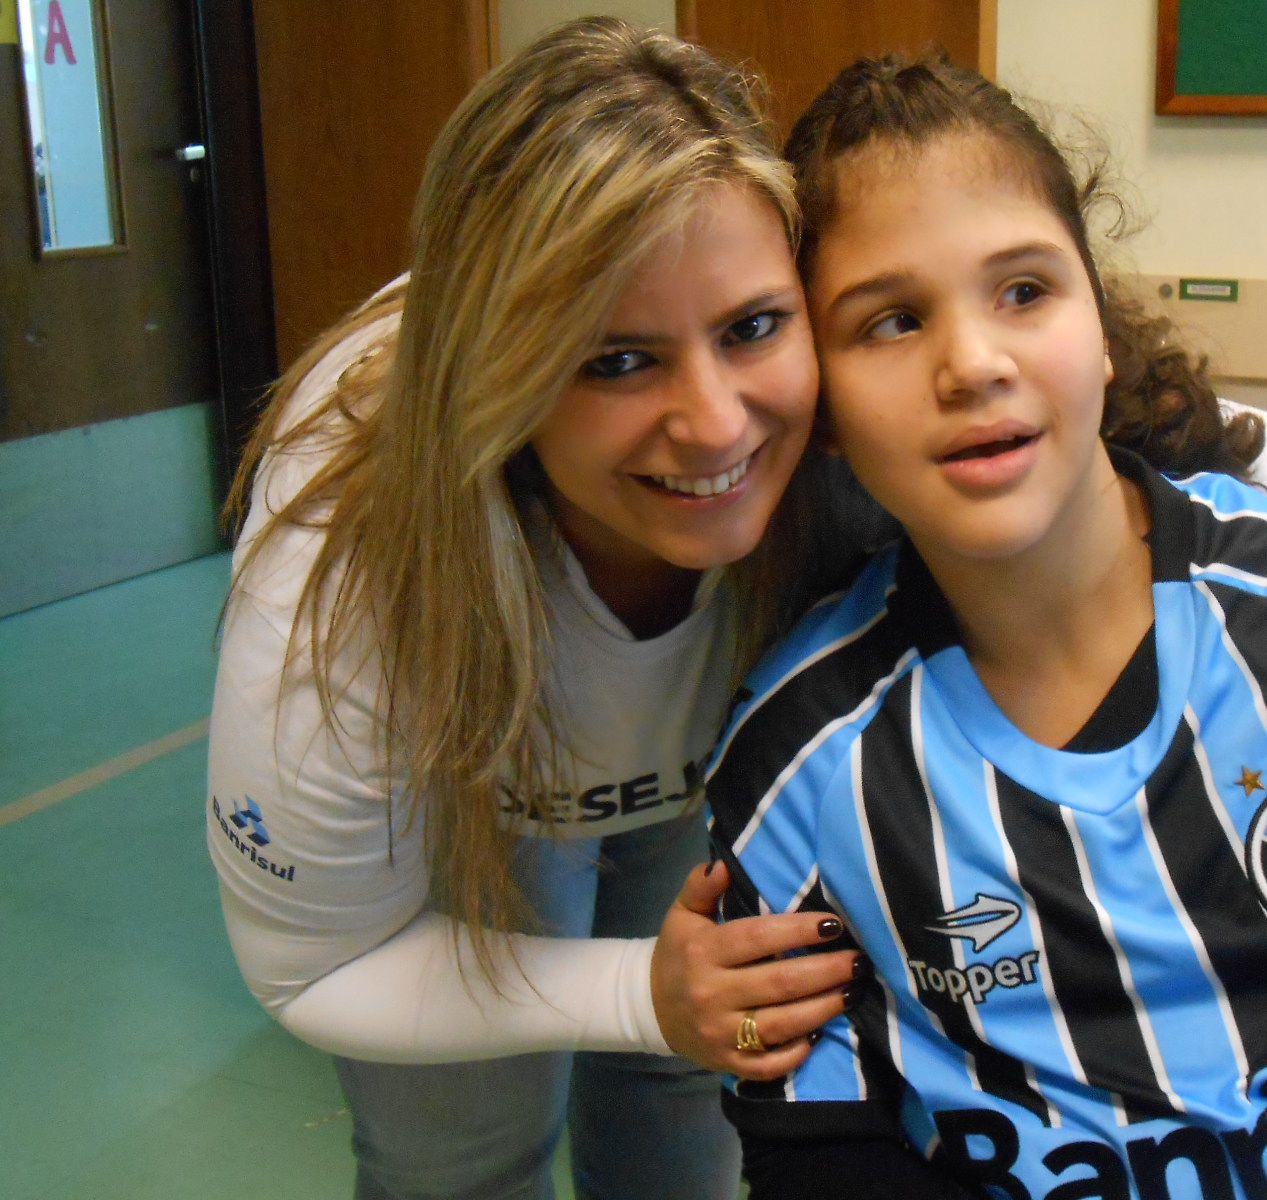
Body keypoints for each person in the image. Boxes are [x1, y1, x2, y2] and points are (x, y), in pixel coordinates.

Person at [707, 54, 1267, 1200]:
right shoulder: (797, 765)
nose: (974, 363)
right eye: (889, 321)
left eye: (1025, 291)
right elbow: (821, 1165)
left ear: (1102, 321)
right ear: (820, 408)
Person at [206, 20, 869, 1200]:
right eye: (614, 360)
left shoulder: (849, 421)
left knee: (688, 1086)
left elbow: (1175, 456)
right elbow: (312, 972)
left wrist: (671, 1009)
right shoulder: (345, 578)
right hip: (469, 733)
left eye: (752, 326)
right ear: (500, 373)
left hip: (668, 749)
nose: (717, 425)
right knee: (461, 1149)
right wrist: (630, 991)